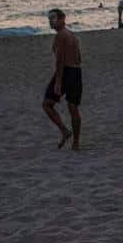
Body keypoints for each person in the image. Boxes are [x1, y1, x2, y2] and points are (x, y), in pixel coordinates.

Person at [42, 9, 82, 150]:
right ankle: (76, 142)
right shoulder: (72, 35)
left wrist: (58, 82)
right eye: (49, 19)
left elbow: (59, 61)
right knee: (73, 108)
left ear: (62, 19)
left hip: (66, 72)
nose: (51, 21)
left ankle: (65, 131)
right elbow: (79, 58)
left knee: (47, 104)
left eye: (53, 18)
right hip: (76, 72)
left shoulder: (60, 36)